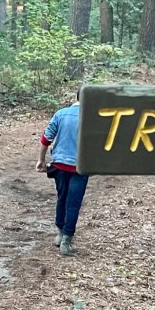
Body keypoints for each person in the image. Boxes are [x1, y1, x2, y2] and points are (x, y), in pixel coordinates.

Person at [36, 94, 89, 256]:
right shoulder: (92, 117)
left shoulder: (61, 114)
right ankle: (67, 240)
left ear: (76, 97)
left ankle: (59, 234)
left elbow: (46, 139)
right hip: (81, 166)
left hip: (59, 164)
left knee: (62, 198)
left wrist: (41, 160)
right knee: (73, 203)